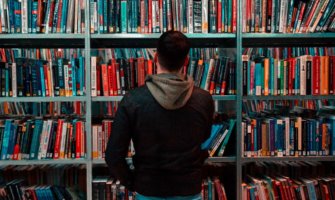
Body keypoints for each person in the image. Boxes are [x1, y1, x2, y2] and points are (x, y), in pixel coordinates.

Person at [105, 30, 214, 199]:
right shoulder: (204, 99)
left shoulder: (133, 100)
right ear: (186, 61)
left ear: (155, 57)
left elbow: (113, 155)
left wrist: (132, 182)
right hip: (188, 189)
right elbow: (204, 139)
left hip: (148, 188)